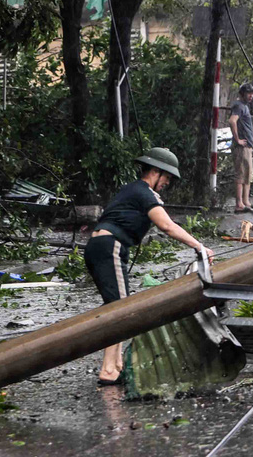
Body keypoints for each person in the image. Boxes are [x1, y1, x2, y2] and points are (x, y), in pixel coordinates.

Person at [84, 148, 214, 385]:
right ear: (155, 171)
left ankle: (115, 366)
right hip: (109, 246)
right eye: (166, 178)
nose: (166, 183)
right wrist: (200, 247)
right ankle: (109, 371)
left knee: (116, 307)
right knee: (121, 310)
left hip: (101, 246)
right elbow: (167, 226)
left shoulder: (132, 190)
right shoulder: (143, 192)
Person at [229, 82, 253, 213]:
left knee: (248, 174)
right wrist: (237, 139)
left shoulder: (245, 106)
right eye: (248, 93)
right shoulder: (239, 106)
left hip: (248, 146)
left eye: (252, 93)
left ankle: (246, 201)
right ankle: (239, 203)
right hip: (241, 147)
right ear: (242, 94)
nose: (251, 96)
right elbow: (232, 121)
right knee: (241, 174)